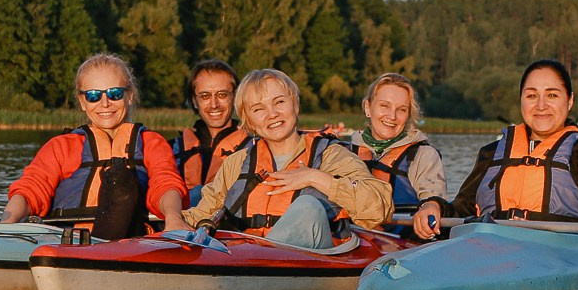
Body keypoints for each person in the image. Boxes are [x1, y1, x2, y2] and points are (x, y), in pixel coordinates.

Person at [411, 60, 578, 241]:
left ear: (570, 100)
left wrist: (544, 228)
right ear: (521, 100)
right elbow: (462, 210)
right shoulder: (492, 153)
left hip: (560, 258)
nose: (541, 105)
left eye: (552, 95)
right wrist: (434, 206)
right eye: (532, 96)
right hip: (491, 254)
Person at [182, 68, 391, 248]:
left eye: (279, 102)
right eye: (258, 109)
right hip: (247, 262)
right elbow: (203, 213)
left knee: (307, 207)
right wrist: (172, 221)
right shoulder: (236, 163)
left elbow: (379, 208)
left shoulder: (332, 155)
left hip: (314, 262)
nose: (272, 114)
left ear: (295, 105)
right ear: (250, 122)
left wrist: (315, 178)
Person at [3, 53, 189, 238]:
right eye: (94, 96)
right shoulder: (60, 146)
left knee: (122, 178)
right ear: (82, 102)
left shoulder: (152, 143)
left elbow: (165, 184)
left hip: (133, 238)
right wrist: (6, 222)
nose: (105, 103)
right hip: (69, 240)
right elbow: (31, 189)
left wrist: (173, 218)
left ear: (129, 96)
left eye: (115, 94)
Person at [346, 73, 449, 218]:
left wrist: (431, 207)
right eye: (384, 106)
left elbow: (435, 199)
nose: (392, 116)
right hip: (351, 236)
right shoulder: (344, 152)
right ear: (368, 107)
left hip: (401, 236)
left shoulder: (423, 155)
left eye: (401, 109)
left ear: (408, 114)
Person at [172, 60, 248, 202]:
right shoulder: (172, 149)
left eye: (222, 95)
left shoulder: (254, 149)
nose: (214, 105)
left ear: (235, 97)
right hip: (182, 220)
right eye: (205, 96)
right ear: (194, 100)